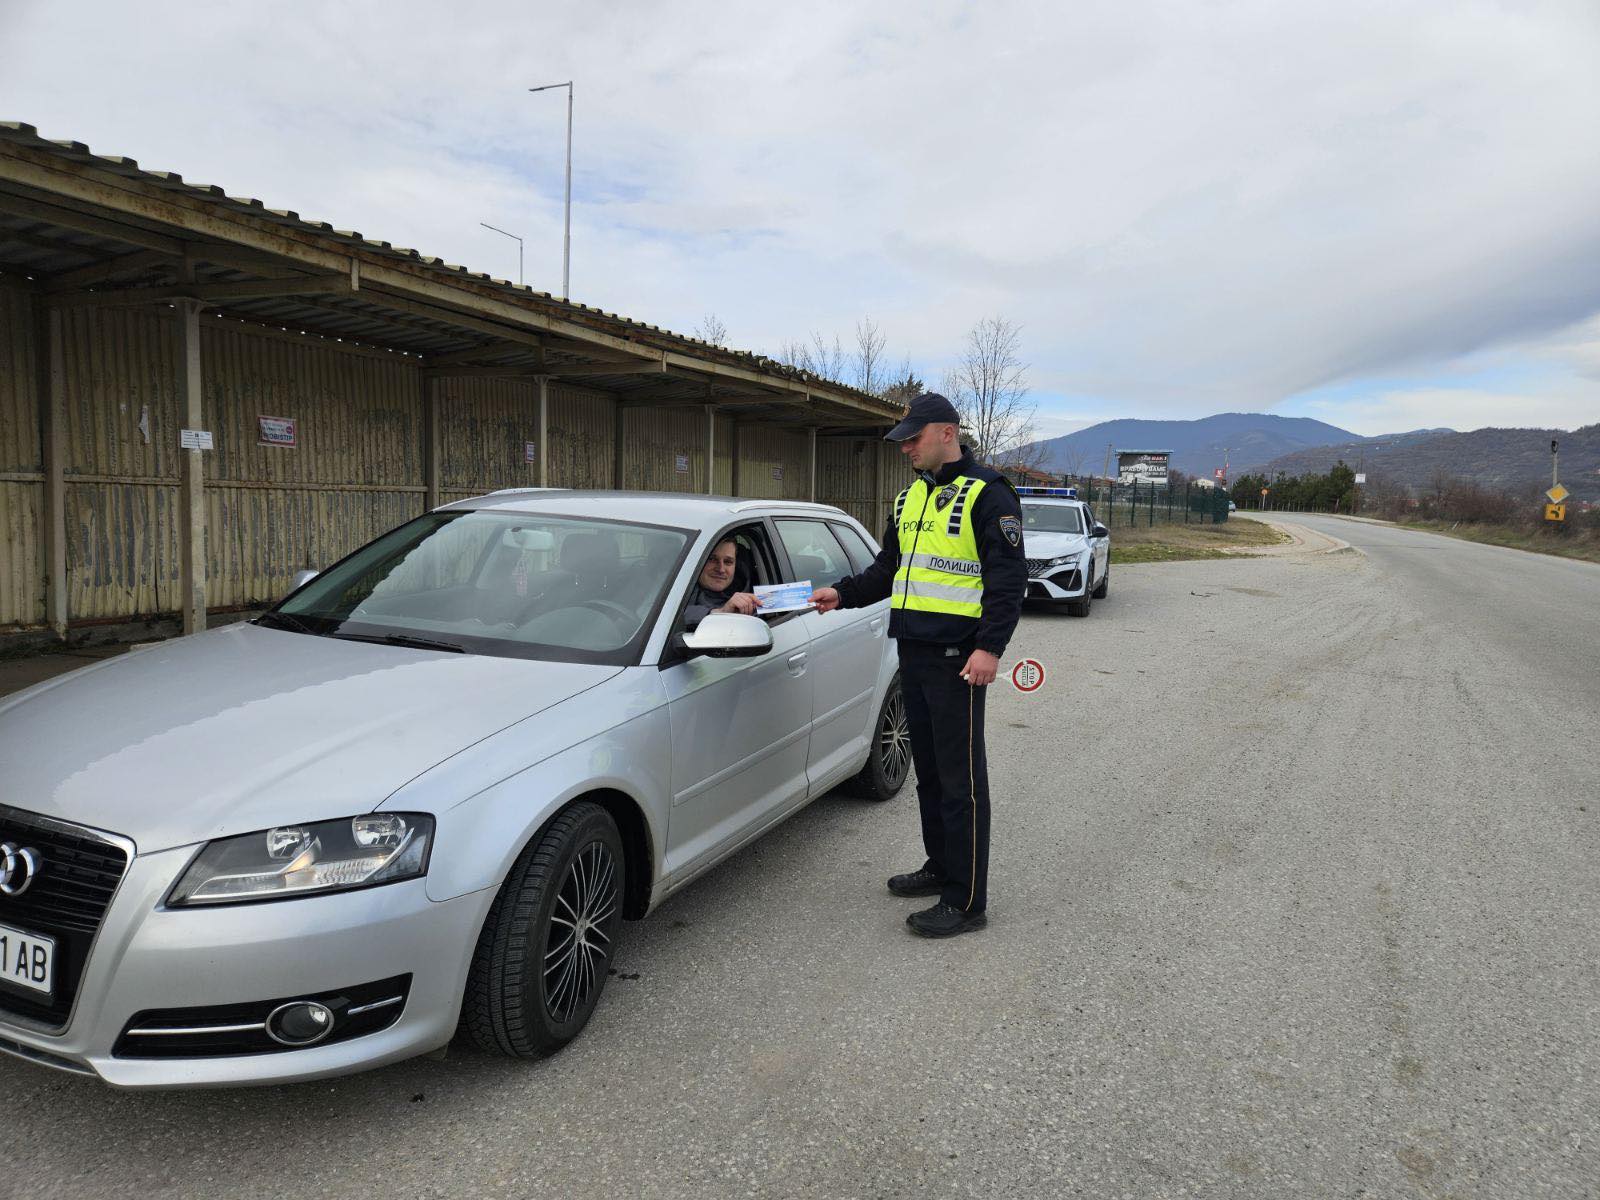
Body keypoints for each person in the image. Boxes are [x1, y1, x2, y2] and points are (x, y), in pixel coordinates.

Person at [811, 394, 1026, 938]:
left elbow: (1008, 581)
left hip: (960, 659)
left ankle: (967, 899)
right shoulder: (909, 498)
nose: (905, 446)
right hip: (913, 652)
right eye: (903, 438)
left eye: (914, 436)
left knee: (962, 781)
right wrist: (842, 593)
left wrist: (990, 649)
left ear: (948, 433)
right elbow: (889, 568)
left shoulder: (988, 493)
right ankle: (940, 867)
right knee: (928, 774)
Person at [683, 537, 763, 628]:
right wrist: (720, 613)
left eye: (728, 562)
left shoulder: (755, 595)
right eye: (712, 559)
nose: (721, 569)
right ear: (698, 561)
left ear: (735, 565)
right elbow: (672, 615)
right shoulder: (678, 588)